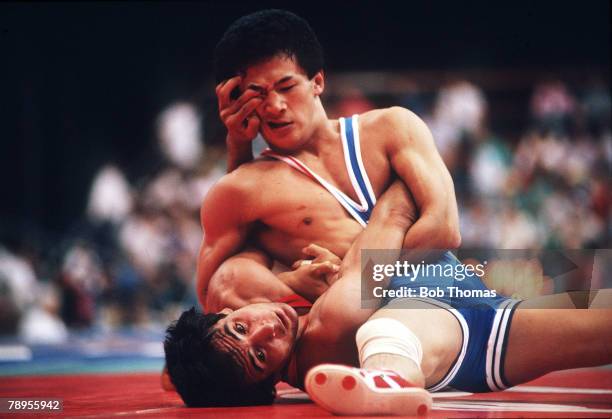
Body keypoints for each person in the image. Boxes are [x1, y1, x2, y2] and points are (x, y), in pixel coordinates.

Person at [165, 182, 612, 414]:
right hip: (456, 337)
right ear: (268, 384)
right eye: (262, 356)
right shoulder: (327, 326)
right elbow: (395, 211)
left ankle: (387, 374)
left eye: (242, 327)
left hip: (485, 312)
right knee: (387, 327)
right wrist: (402, 154)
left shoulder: (253, 293)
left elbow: (240, 242)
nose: (267, 329)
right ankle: (386, 381)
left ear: (224, 313)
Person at [198, 9, 460, 312]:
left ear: (318, 81)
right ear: (236, 101)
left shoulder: (393, 127)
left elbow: (445, 229)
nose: (275, 106)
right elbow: (213, 293)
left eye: (286, 87)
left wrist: (349, 280)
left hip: (445, 297)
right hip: (355, 330)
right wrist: (238, 145)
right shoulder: (243, 188)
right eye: (256, 94)